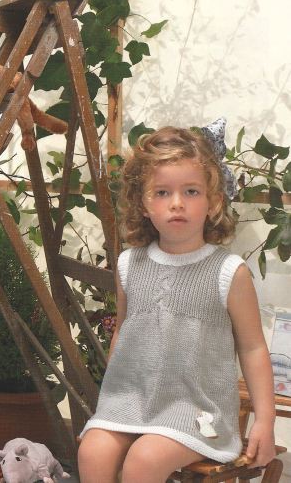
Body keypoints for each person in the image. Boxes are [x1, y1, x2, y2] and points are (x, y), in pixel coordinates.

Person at [77, 123, 276, 483]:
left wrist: (265, 419)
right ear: (143, 203)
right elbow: (124, 331)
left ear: (214, 201)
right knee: (92, 451)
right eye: (162, 192)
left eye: (191, 191)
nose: (177, 202)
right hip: (132, 401)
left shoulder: (228, 272)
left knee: (144, 459)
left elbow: (253, 348)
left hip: (197, 411)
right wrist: (114, 398)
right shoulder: (129, 264)